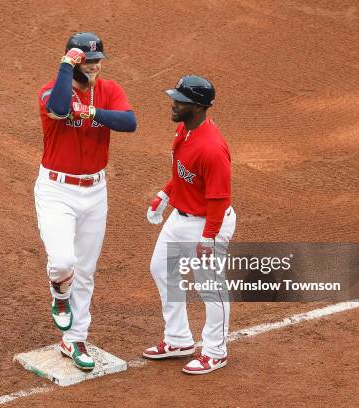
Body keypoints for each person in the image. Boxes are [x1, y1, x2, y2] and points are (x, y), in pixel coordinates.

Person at [35, 32, 136, 371]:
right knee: (63, 262)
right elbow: (60, 109)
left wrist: (93, 111)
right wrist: (67, 67)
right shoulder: (51, 90)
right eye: (87, 61)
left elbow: (129, 122)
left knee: (87, 271)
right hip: (57, 190)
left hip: (95, 191)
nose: (94, 67)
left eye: (97, 61)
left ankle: (75, 339)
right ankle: (60, 297)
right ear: (73, 61)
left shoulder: (110, 90)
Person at [142, 75, 236, 375]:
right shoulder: (184, 130)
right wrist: (165, 194)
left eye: (179, 101)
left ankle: (215, 351)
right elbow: (184, 174)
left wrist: (209, 238)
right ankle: (179, 339)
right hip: (181, 217)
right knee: (161, 268)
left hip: (210, 222)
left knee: (210, 287)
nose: (172, 104)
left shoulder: (212, 149)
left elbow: (219, 198)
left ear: (196, 107)